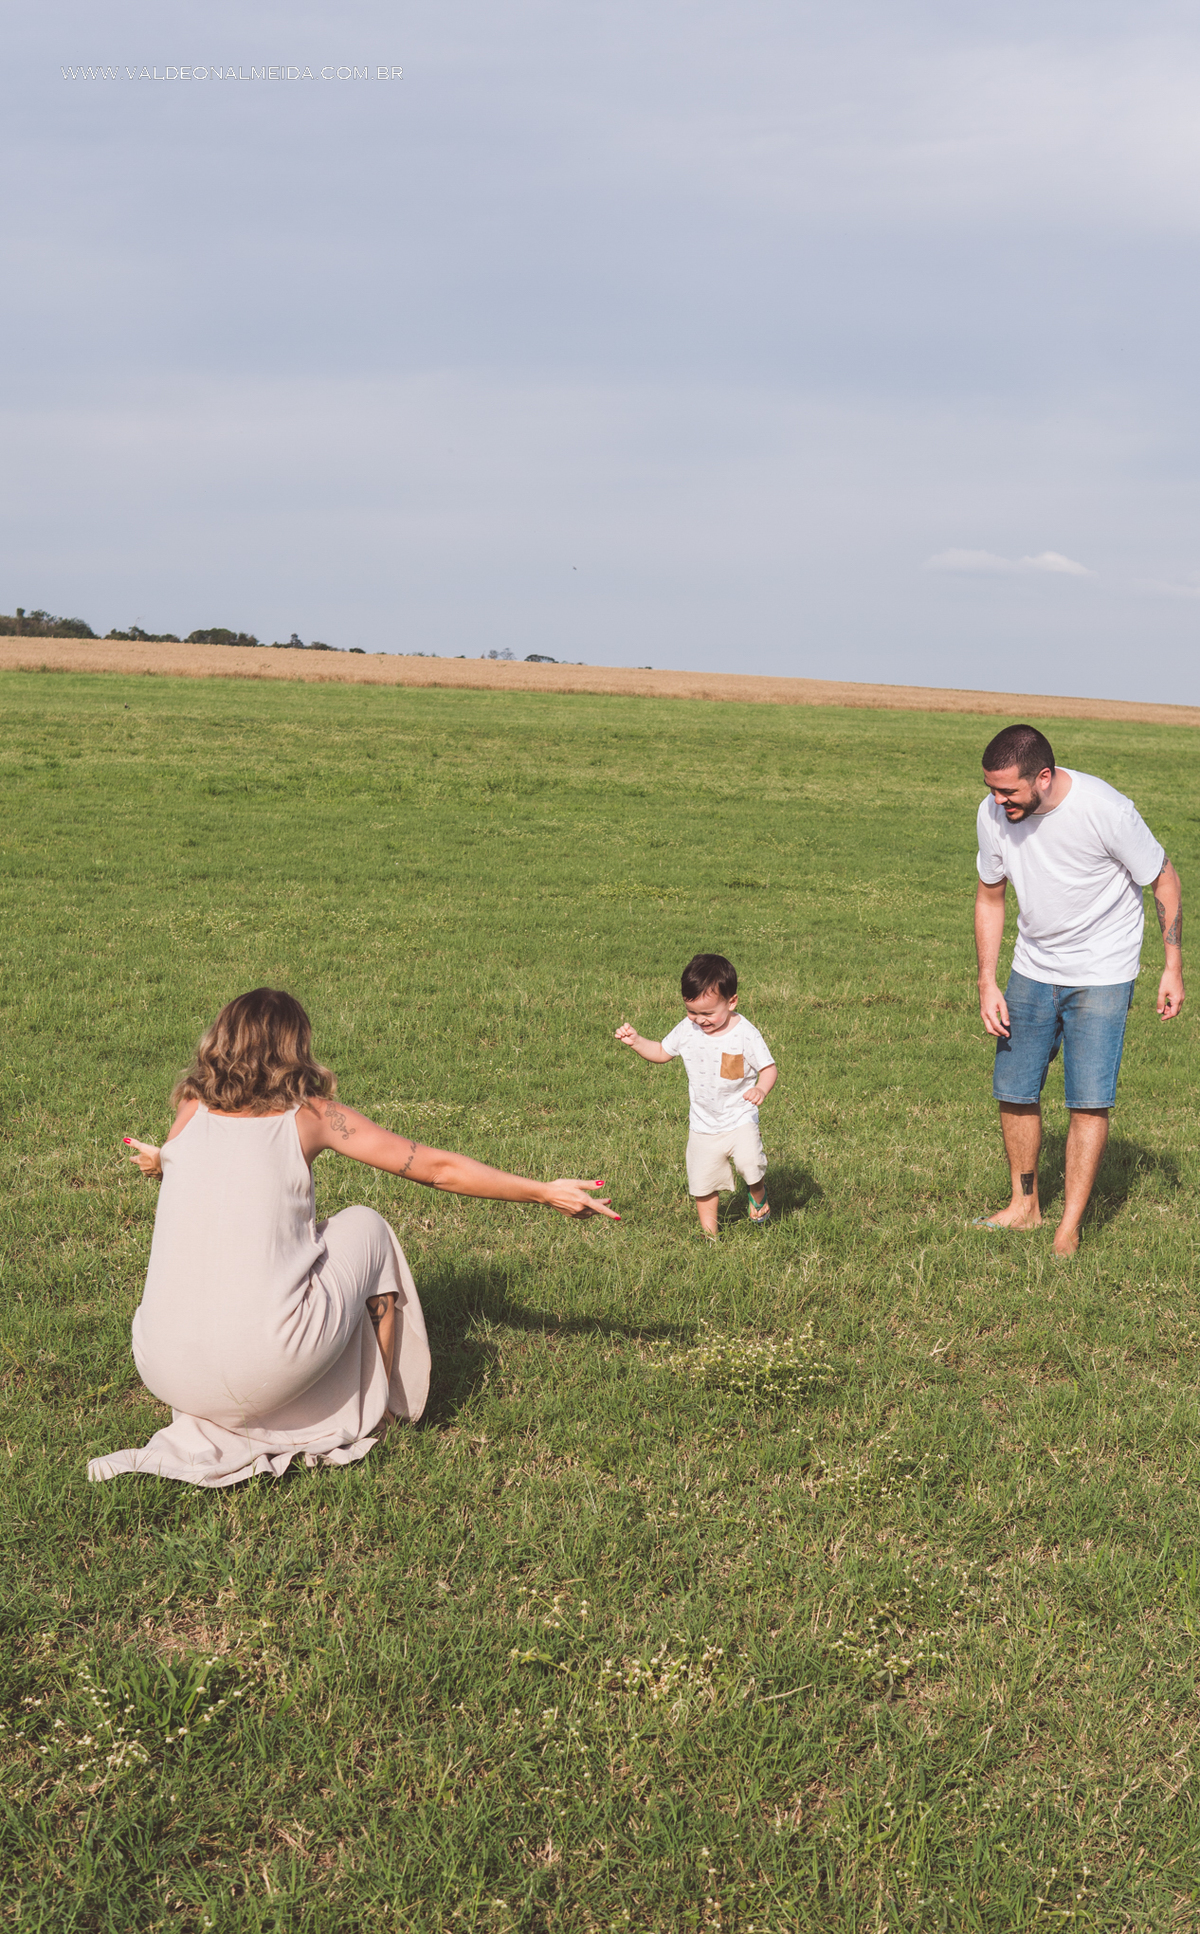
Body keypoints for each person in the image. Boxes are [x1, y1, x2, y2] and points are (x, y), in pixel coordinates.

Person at [89, 988, 618, 1487]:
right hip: (265, 1365)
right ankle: (383, 1412)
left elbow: (198, 1165)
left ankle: (269, 1399)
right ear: (295, 1048)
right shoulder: (312, 1116)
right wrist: (543, 1191)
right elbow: (437, 1168)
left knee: (297, 1244)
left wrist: (164, 1163)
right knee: (366, 1225)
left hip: (162, 1367)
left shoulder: (188, 1111)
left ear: (218, 1042)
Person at [974, 724, 1183, 1256]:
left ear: (1042, 777)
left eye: (1008, 792)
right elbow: (991, 898)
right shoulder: (992, 814)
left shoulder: (1104, 809)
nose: (998, 802)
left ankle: (1068, 1226)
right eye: (992, 790)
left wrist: (1172, 965)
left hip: (1102, 973)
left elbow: (1163, 878)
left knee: (1088, 1100)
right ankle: (1024, 1207)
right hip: (1031, 969)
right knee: (1014, 1089)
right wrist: (987, 981)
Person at [614, 953, 777, 1237]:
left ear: (732, 1002)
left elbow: (769, 1068)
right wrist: (637, 1042)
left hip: (739, 1117)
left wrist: (761, 1088)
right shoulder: (687, 1029)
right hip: (703, 1123)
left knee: (750, 1162)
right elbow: (662, 1053)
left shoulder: (745, 1034)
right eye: (692, 1012)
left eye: (708, 1013)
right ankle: (709, 1236)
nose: (700, 1020)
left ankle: (757, 1190)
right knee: (703, 1182)